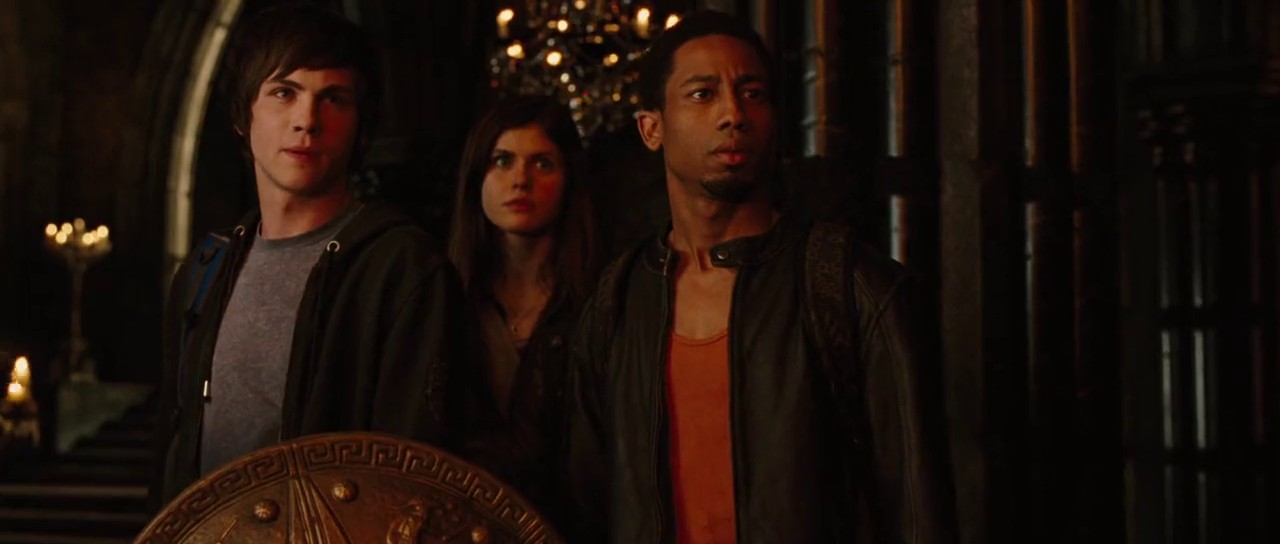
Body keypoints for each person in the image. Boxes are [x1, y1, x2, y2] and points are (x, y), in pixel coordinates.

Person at [565, 10, 956, 543]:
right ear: (651, 128)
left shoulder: (851, 287)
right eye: (703, 95)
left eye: (753, 94)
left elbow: (917, 508)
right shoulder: (618, 300)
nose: (734, 114)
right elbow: (587, 505)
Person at [153, 3, 464, 507]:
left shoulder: (400, 267)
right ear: (244, 115)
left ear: (360, 126)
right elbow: (173, 445)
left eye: (333, 99)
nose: (307, 121)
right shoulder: (206, 270)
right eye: (284, 92)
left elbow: (414, 472)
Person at [448, 95, 600, 527]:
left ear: (568, 179)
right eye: (502, 161)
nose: (520, 180)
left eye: (542, 164)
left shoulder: (597, 303)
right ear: (477, 176)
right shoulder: (446, 303)